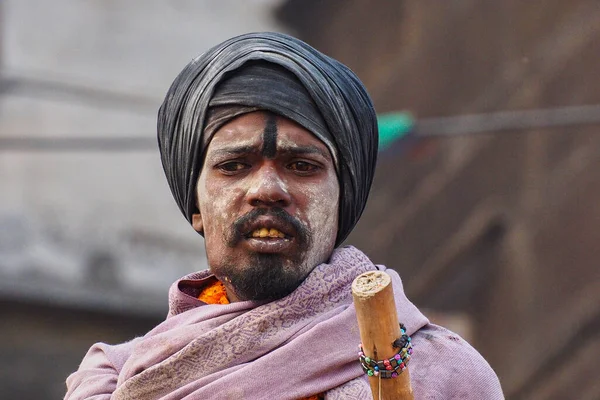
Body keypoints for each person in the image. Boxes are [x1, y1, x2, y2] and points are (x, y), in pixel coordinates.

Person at [65, 32, 504, 400]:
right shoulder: (111, 381)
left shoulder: (441, 374)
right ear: (195, 206)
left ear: (341, 201)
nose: (267, 190)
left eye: (302, 166)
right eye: (234, 166)